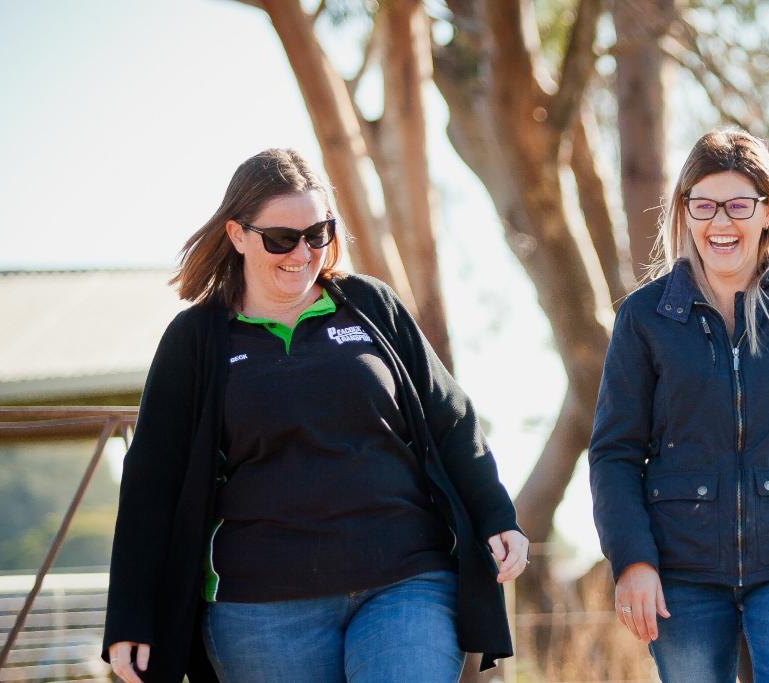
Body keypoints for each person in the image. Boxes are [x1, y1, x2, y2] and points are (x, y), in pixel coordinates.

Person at [102, 148, 528, 683]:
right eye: (281, 238)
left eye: (317, 233)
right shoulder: (197, 341)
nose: (302, 253)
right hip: (262, 608)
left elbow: (450, 417)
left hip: (405, 581)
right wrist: (130, 616)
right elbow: (150, 486)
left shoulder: (371, 307)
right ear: (237, 235)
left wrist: (496, 515)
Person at [588, 130, 769, 683]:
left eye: (738, 205)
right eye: (704, 205)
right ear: (685, 211)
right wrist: (633, 561)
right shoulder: (644, 319)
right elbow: (614, 454)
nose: (721, 223)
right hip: (681, 574)